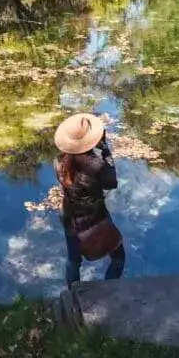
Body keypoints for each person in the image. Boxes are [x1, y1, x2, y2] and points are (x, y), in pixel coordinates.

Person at [54, 112, 126, 286]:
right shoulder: (96, 165)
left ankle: (73, 294)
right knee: (118, 258)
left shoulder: (58, 161)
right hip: (95, 218)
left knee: (73, 260)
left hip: (70, 218)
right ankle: (109, 291)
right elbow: (112, 183)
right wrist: (105, 149)